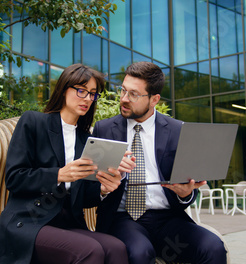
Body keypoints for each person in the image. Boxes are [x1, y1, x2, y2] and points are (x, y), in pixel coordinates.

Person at [0, 63, 128, 264]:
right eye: (81, 91)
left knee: (116, 248)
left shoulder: (85, 140)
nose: (88, 99)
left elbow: (83, 199)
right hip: (30, 222)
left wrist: (103, 189)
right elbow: (14, 178)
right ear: (64, 89)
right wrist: (59, 175)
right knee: (91, 251)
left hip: (67, 224)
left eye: (92, 94)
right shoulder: (34, 122)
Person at [92, 61, 227, 264]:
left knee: (213, 247)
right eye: (123, 91)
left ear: (154, 99)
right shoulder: (104, 129)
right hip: (123, 219)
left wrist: (186, 194)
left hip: (168, 219)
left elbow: (189, 188)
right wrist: (106, 186)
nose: (124, 99)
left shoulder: (178, 130)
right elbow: (92, 188)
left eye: (134, 94)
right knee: (140, 253)